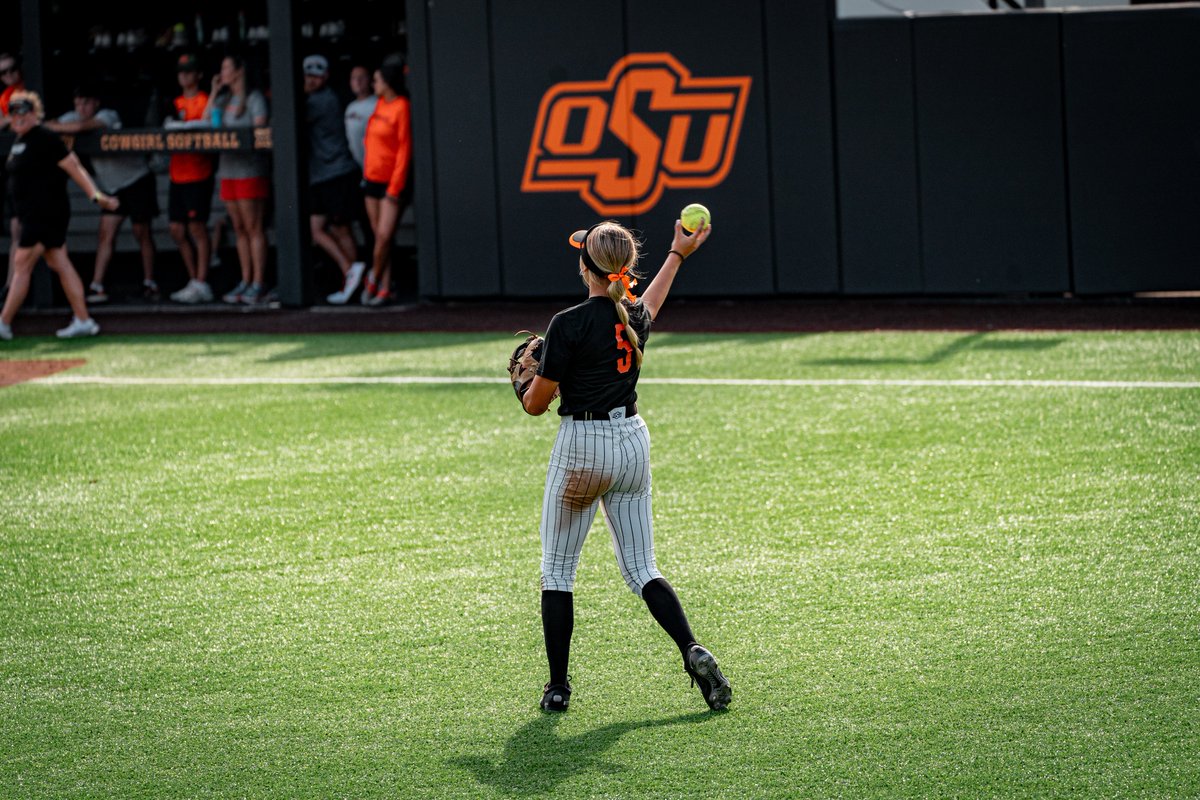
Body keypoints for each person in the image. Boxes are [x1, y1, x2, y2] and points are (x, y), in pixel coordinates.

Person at [518, 216, 730, 713]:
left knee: (557, 572)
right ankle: (691, 648)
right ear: (624, 269)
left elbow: (535, 405)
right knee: (642, 568)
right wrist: (678, 253)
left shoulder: (566, 324)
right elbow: (648, 304)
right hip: (632, 441)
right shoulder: (629, 317)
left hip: (582, 449)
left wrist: (527, 383)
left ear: (584, 265)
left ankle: (557, 688)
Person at [0, 91, 116, 341]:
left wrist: (96, 196)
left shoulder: (45, 138)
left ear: (35, 113)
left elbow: (74, 167)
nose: (18, 117)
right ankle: (84, 319)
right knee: (58, 262)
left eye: (23, 112)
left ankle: (3, 323)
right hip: (32, 213)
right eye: (14, 113)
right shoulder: (20, 140)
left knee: (21, 265)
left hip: (44, 213)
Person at [44, 83, 160, 304]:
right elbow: (49, 125)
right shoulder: (71, 117)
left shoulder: (108, 115)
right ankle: (97, 285)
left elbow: (80, 128)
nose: (82, 108)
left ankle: (150, 282)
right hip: (111, 186)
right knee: (106, 233)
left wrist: (60, 127)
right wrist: (56, 126)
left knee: (141, 231)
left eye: (86, 103)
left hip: (136, 179)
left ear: (96, 103)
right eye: (78, 103)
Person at [205, 52, 270, 305]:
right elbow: (206, 122)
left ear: (239, 70)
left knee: (254, 227)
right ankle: (245, 280)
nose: (222, 73)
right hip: (227, 169)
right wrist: (213, 91)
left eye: (226, 68)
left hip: (249, 169)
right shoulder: (223, 99)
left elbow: (260, 132)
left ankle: (258, 282)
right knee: (239, 228)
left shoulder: (253, 98)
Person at [301, 54, 366, 305]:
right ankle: (350, 271)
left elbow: (297, 116)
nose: (312, 80)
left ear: (325, 76)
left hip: (337, 172)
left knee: (341, 228)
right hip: (319, 174)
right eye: (308, 75)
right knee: (315, 229)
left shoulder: (323, 100)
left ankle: (353, 279)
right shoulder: (311, 99)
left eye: (316, 76)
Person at [359, 53, 411, 307]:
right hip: (371, 179)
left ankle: (372, 278)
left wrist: (396, 185)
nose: (373, 84)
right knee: (381, 239)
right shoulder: (379, 104)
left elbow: (404, 148)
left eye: (377, 80)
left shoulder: (401, 105)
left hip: (391, 183)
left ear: (388, 81)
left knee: (383, 236)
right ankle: (384, 288)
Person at [165, 53, 216, 304]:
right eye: (181, 71)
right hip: (177, 172)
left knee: (197, 227)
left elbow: (207, 126)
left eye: (189, 71)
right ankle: (192, 278)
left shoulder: (205, 100)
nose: (184, 76)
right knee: (176, 229)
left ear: (198, 75)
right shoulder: (173, 102)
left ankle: (201, 280)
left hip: (198, 172)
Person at [1, 53, 28, 285]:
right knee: (16, 231)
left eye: (12, 70)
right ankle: (11, 287)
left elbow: (18, 120)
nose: (9, 76)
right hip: (14, 172)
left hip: (33, 172)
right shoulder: (5, 96)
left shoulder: (29, 90)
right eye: (3, 72)